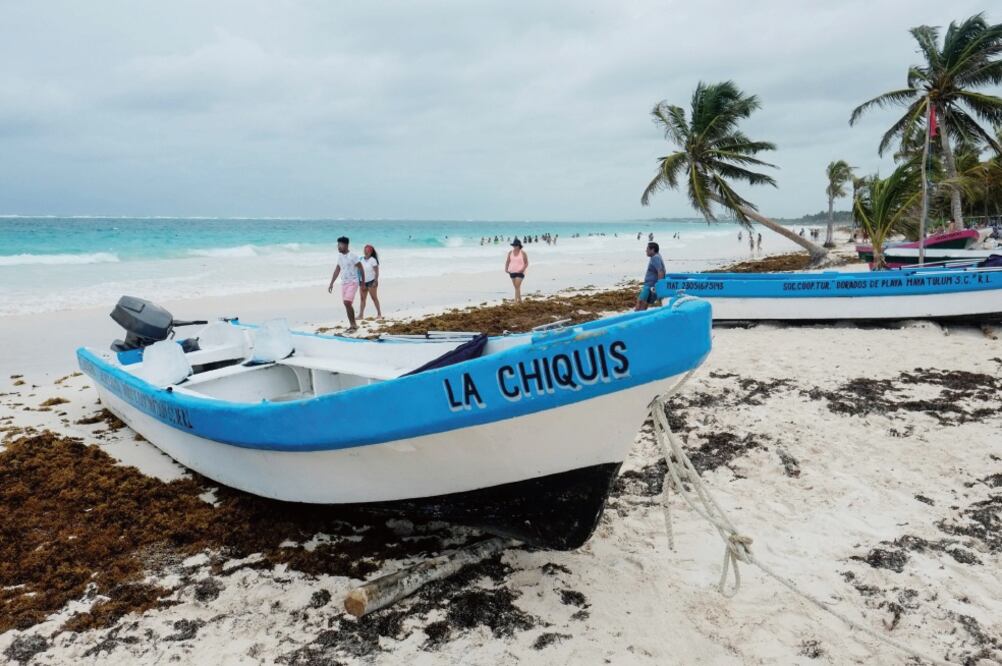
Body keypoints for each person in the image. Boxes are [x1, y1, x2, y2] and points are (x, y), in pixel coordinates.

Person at [327, 236, 363, 332]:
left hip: (353, 282)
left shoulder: (353, 256)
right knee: (346, 304)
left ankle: (353, 325)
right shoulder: (340, 256)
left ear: (346, 245)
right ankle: (353, 324)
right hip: (344, 283)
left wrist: (362, 282)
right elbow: (337, 269)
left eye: (340, 245)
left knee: (347, 302)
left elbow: (361, 268)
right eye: (338, 245)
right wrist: (331, 283)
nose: (338, 247)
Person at [635, 242, 665, 311]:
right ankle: (640, 319)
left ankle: (635, 319)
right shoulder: (657, 256)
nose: (646, 251)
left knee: (640, 303)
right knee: (643, 304)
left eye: (647, 249)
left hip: (650, 286)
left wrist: (659, 285)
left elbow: (660, 271)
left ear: (652, 250)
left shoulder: (655, 258)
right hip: (651, 286)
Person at [359, 244, 383, 320]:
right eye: (365, 251)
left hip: (371, 281)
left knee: (374, 298)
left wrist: (376, 280)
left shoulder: (373, 260)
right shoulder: (360, 259)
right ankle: (361, 315)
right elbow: (357, 270)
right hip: (362, 282)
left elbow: (377, 272)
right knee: (362, 299)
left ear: (371, 252)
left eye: (368, 251)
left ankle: (379, 314)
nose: (366, 252)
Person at [505, 238, 528, 303]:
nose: (514, 247)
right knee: (516, 287)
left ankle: (515, 301)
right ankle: (520, 300)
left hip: (520, 272)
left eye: (516, 245)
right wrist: (506, 269)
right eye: (514, 246)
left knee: (517, 286)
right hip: (512, 271)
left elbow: (526, 263)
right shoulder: (510, 253)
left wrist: (523, 269)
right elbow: (507, 261)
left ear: (519, 246)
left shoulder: (523, 253)